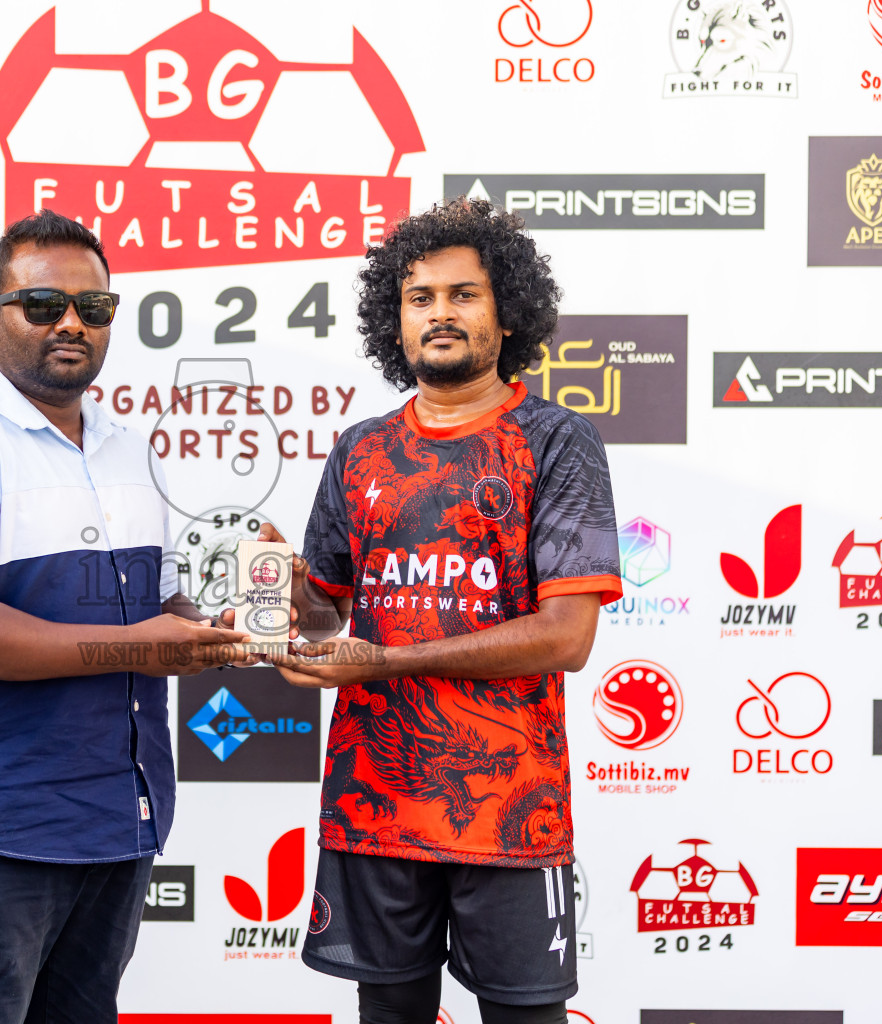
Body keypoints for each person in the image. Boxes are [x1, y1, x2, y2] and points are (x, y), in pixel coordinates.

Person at [258, 198, 622, 1024]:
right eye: (420, 298)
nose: (440, 314)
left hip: (510, 813)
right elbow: (325, 617)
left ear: (508, 310)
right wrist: (283, 584)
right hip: (373, 806)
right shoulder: (359, 448)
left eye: (464, 294)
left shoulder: (558, 442)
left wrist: (383, 661)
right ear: (397, 318)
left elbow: (567, 638)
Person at [0, 209, 247, 1024]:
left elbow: (161, 610)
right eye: (43, 306)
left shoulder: (129, 448)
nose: (71, 324)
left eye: (95, 307)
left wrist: (233, 616)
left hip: (121, 819)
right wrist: (136, 647)